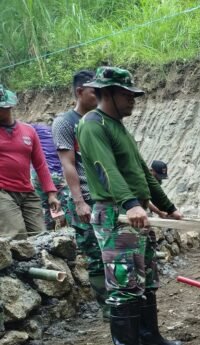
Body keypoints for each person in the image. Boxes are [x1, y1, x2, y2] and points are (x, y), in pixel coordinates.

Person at [76, 67, 183, 345]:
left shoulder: (119, 127)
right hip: (116, 215)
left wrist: (168, 206)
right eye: (127, 94)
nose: (133, 100)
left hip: (135, 213)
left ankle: (148, 337)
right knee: (123, 282)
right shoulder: (92, 125)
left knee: (145, 279)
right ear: (106, 92)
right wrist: (130, 204)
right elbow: (103, 170)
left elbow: (142, 175)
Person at [52, 70, 110, 317]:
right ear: (79, 92)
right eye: (93, 92)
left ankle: (120, 299)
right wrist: (78, 201)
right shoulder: (65, 123)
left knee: (112, 251)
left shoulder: (101, 120)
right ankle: (107, 307)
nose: (98, 95)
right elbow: (68, 164)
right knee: (95, 254)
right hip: (85, 198)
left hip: (106, 197)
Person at [0, 85, 61, 239]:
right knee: (16, 236)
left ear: (9, 106)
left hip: (27, 191)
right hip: (3, 192)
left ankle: (40, 263)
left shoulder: (28, 131)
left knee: (41, 236)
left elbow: (40, 164)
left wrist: (51, 193)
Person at [30, 123, 67, 230]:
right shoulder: (58, 132)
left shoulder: (33, 128)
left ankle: (47, 231)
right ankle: (66, 230)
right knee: (62, 205)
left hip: (39, 173)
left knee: (43, 206)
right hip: (58, 174)